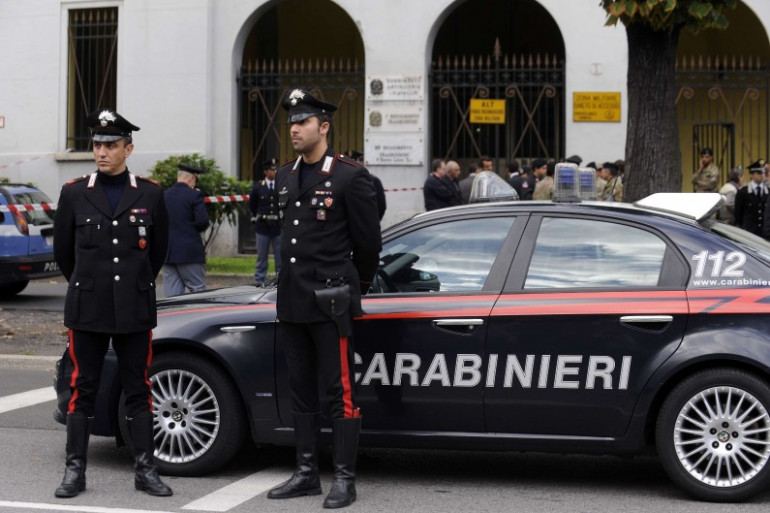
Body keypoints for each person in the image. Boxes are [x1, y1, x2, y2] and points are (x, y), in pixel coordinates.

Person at [268, 88, 381, 509]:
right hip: (293, 301)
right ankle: (305, 473)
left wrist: (356, 289)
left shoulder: (350, 176)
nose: (294, 129)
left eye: (303, 122)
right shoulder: (283, 176)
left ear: (324, 127)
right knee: (300, 389)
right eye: (291, 123)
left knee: (340, 391)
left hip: (331, 302)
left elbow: (369, 245)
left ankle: (345, 479)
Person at [52, 109, 172, 498]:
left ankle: (145, 470)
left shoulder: (151, 193)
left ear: (128, 149)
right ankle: (75, 470)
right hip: (88, 308)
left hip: (134, 308)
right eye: (97, 144)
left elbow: (157, 253)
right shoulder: (74, 192)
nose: (101, 151)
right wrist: (91, 286)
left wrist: (131, 287)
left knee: (138, 387)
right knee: (82, 387)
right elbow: (65, 254)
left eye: (111, 145)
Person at [162, 163, 209, 296]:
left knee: (172, 297)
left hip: (168, 253)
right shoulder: (195, 196)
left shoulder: (164, 195)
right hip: (190, 252)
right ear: (191, 179)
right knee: (198, 293)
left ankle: (173, 318)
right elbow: (202, 222)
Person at [249, 158, 281, 286]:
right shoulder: (258, 187)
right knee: (262, 257)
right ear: (266, 171)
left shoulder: (280, 185)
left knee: (279, 257)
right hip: (263, 226)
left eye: (275, 169)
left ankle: (280, 280)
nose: (274, 172)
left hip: (278, 227)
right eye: (272, 170)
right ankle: (259, 280)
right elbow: (253, 205)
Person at [734, 162, 768, 237]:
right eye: (759, 172)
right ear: (751, 175)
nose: (762, 175)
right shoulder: (743, 192)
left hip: (764, 234)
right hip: (749, 234)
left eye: (763, 172)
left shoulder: (768, 192)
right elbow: (738, 215)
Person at [352, 151, 386, 219]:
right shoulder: (341, 180)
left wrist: (373, 222)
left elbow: (381, 206)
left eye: (361, 160)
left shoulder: (373, 180)